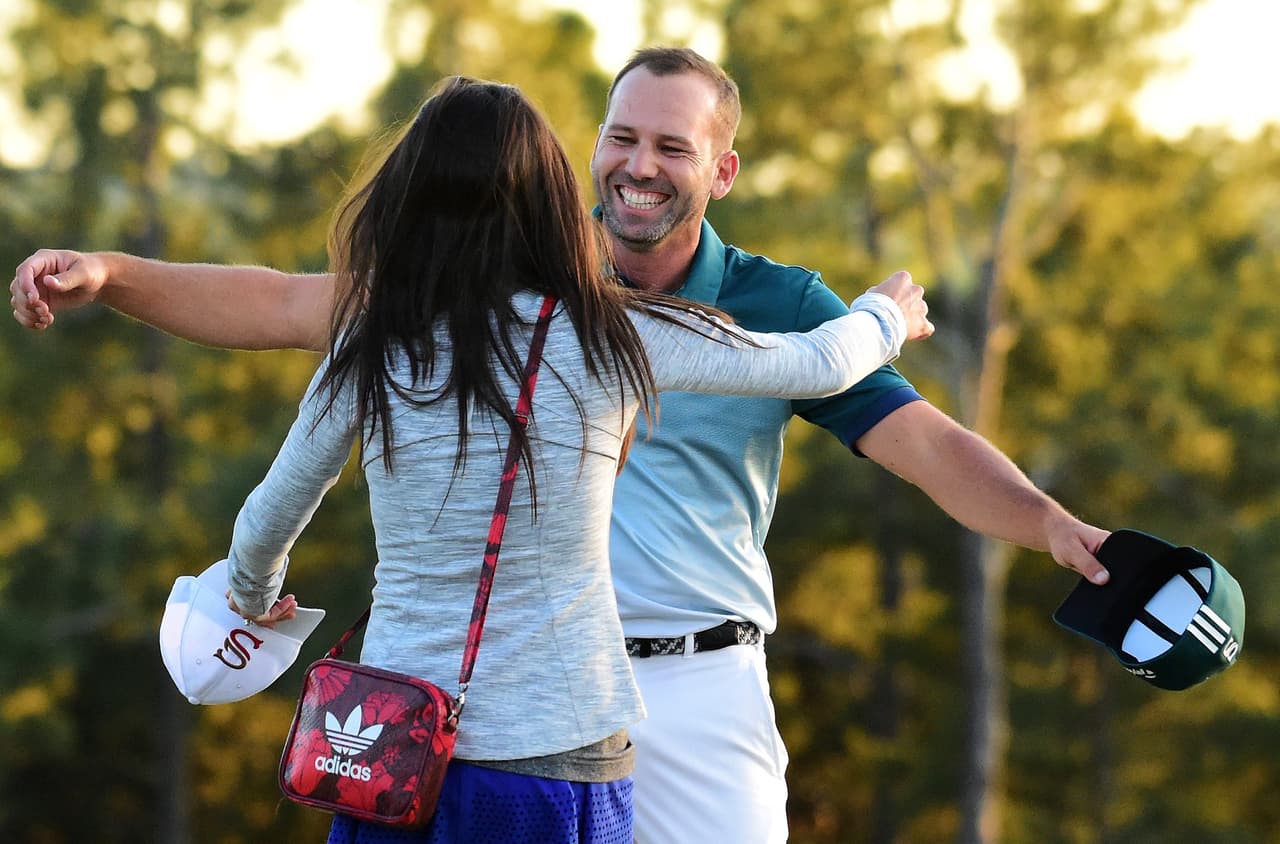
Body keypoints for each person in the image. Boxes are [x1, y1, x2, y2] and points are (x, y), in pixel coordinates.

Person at [11, 49, 1105, 844]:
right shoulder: (541, 310)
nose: (638, 163)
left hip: (653, 689)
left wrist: (1047, 522)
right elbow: (274, 297)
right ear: (576, 158)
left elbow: (922, 439)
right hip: (541, 727)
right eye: (620, 137)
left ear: (718, 170)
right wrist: (112, 274)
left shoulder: (766, 301)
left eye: (670, 145)